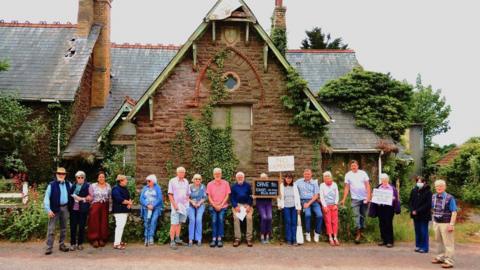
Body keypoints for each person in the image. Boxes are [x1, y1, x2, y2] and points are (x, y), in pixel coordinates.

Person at [340, 160, 371, 244]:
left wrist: (368, 197)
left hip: (364, 198)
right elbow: (347, 188)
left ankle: (361, 232)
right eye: (352, 166)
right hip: (355, 199)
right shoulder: (348, 175)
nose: (353, 167)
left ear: (358, 166)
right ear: (350, 167)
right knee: (356, 216)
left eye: (355, 165)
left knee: (363, 216)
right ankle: (357, 235)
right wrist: (343, 199)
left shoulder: (363, 173)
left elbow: (367, 185)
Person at [44, 167, 71, 255]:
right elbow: (46, 198)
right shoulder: (51, 185)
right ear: (56, 175)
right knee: (51, 229)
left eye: (63, 174)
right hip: (54, 209)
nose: (61, 175)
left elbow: (75, 193)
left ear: (65, 175)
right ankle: (49, 247)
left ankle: (62, 244)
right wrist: (48, 209)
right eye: (59, 173)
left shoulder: (69, 184)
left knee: (64, 228)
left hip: (65, 208)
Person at [369, 173, 401, 248]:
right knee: (381, 224)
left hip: (389, 208)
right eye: (382, 180)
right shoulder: (379, 187)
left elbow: (396, 198)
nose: (384, 181)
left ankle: (390, 241)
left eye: (385, 179)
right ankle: (384, 240)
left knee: (388, 224)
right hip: (381, 208)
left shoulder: (392, 188)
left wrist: (393, 198)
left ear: (388, 180)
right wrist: (373, 196)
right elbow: (375, 197)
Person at [431, 180, 457, 269]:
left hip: (446, 223)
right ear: (435, 187)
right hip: (436, 222)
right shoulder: (433, 196)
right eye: (437, 186)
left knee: (448, 243)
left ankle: (449, 261)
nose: (439, 187)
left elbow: (454, 212)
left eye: (441, 186)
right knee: (438, 241)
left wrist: (452, 224)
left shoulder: (450, 198)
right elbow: (433, 209)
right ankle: (440, 257)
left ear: (445, 187)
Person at [295, 169, 323, 243]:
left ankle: (317, 233)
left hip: (313, 201)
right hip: (304, 201)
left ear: (311, 175)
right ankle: (307, 232)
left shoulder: (314, 182)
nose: (307, 175)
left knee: (319, 215)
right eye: (305, 174)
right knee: (308, 215)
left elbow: (316, 195)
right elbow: (291, 185)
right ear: (303, 174)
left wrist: (309, 203)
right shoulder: (298, 182)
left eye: (308, 174)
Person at [206, 168, 231, 248]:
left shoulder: (226, 183)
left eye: (219, 173)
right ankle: (213, 239)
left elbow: (227, 195)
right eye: (216, 173)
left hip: (223, 206)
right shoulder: (209, 184)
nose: (217, 175)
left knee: (220, 219)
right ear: (213, 175)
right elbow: (209, 196)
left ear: (221, 174)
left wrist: (221, 205)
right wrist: (214, 205)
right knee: (214, 220)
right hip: (213, 206)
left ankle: (219, 239)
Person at [168, 167, 191, 250]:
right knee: (174, 223)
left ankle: (177, 239)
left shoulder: (186, 182)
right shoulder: (172, 181)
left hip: (184, 206)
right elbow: (170, 194)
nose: (182, 173)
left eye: (183, 172)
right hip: (176, 206)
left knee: (179, 223)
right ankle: (172, 241)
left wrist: (187, 204)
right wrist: (174, 205)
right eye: (180, 172)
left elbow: (188, 194)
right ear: (177, 173)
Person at [87, 171, 111, 248]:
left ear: (105, 178)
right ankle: (94, 239)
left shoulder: (108, 186)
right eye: (100, 177)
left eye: (103, 177)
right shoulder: (93, 186)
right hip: (95, 205)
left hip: (105, 205)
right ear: (97, 178)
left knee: (103, 222)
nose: (101, 178)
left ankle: (102, 239)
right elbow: (89, 196)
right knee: (94, 222)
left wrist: (110, 208)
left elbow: (110, 198)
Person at [408, 176, 432, 253]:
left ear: (424, 182)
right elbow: (410, 201)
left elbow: (428, 204)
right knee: (417, 231)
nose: (419, 183)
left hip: (424, 215)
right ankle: (418, 246)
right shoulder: (414, 190)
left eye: (420, 182)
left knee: (423, 231)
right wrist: (412, 210)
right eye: (417, 182)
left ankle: (425, 247)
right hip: (415, 215)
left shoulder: (428, 192)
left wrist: (417, 211)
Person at [68, 171, 90, 251]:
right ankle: (73, 244)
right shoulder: (73, 186)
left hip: (83, 209)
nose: (80, 179)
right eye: (78, 177)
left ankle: (80, 243)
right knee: (73, 227)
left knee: (81, 227)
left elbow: (90, 197)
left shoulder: (88, 186)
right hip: (73, 209)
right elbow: (69, 196)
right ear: (76, 178)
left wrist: (81, 199)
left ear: (84, 178)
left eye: (82, 177)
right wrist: (70, 206)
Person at [277, 173, 301, 245]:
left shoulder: (294, 186)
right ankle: (289, 239)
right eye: (287, 178)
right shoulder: (281, 186)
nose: (289, 180)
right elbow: (279, 196)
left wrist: (299, 208)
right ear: (285, 178)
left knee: (294, 222)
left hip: (294, 207)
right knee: (288, 222)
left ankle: (294, 239)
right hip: (286, 207)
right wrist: (279, 205)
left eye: (290, 178)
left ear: (292, 179)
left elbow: (297, 197)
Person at [231, 172, 254, 247]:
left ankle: (249, 239)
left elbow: (251, 196)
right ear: (236, 178)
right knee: (236, 218)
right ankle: (237, 239)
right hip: (237, 205)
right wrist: (235, 206)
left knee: (249, 218)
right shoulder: (233, 186)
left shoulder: (248, 185)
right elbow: (232, 198)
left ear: (244, 178)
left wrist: (249, 206)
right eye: (238, 177)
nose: (240, 178)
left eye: (241, 177)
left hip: (247, 205)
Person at [139, 174, 163, 246]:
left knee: (153, 221)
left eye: (149, 181)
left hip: (155, 208)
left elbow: (159, 198)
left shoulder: (157, 188)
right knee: (147, 222)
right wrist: (147, 205)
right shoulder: (145, 188)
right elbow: (141, 198)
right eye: (147, 181)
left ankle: (151, 237)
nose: (147, 182)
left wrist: (153, 205)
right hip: (146, 207)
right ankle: (146, 237)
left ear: (153, 181)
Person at [111, 175, 133, 250]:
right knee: (119, 227)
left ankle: (119, 241)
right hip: (119, 211)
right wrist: (128, 203)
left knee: (121, 227)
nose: (126, 181)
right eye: (125, 180)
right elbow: (119, 199)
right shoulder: (115, 189)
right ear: (120, 181)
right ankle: (116, 244)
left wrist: (129, 203)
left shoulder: (124, 188)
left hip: (124, 210)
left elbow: (129, 196)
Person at [319, 171, 340, 246]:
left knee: (335, 221)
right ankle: (330, 238)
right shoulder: (322, 185)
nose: (327, 179)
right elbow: (321, 197)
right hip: (326, 206)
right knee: (328, 221)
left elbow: (337, 195)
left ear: (331, 178)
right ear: (324, 179)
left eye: (328, 177)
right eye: (325, 177)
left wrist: (335, 204)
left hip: (334, 206)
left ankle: (335, 237)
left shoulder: (334, 184)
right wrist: (324, 206)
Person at [188, 174, 207, 247]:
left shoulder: (203, 186)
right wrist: (192, 202)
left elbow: (205, 197)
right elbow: (186, 197)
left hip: (200, 205)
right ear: (193, 179)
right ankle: (190, 239)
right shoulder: (189, 186)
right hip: (191, 205)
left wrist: (199, 203)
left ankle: (199, 239)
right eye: (196, 179)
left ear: (201, 180)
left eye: (199, 179)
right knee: (192, 220)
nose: (197, 180)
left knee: (198, 220)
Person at [255, 173, 273, 244]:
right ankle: (262, 235)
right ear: (260, 178)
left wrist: (277, 193)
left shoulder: (270, 185)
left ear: (267, 178)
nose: (263, 179)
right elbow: (254, 193)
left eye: (265, 177)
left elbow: (274, 193)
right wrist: (254, 196)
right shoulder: (257, 184)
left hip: (268, 203)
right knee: (264, 217)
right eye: (262, 178)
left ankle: (267, 234)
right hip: (260, 203)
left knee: (269, 217)